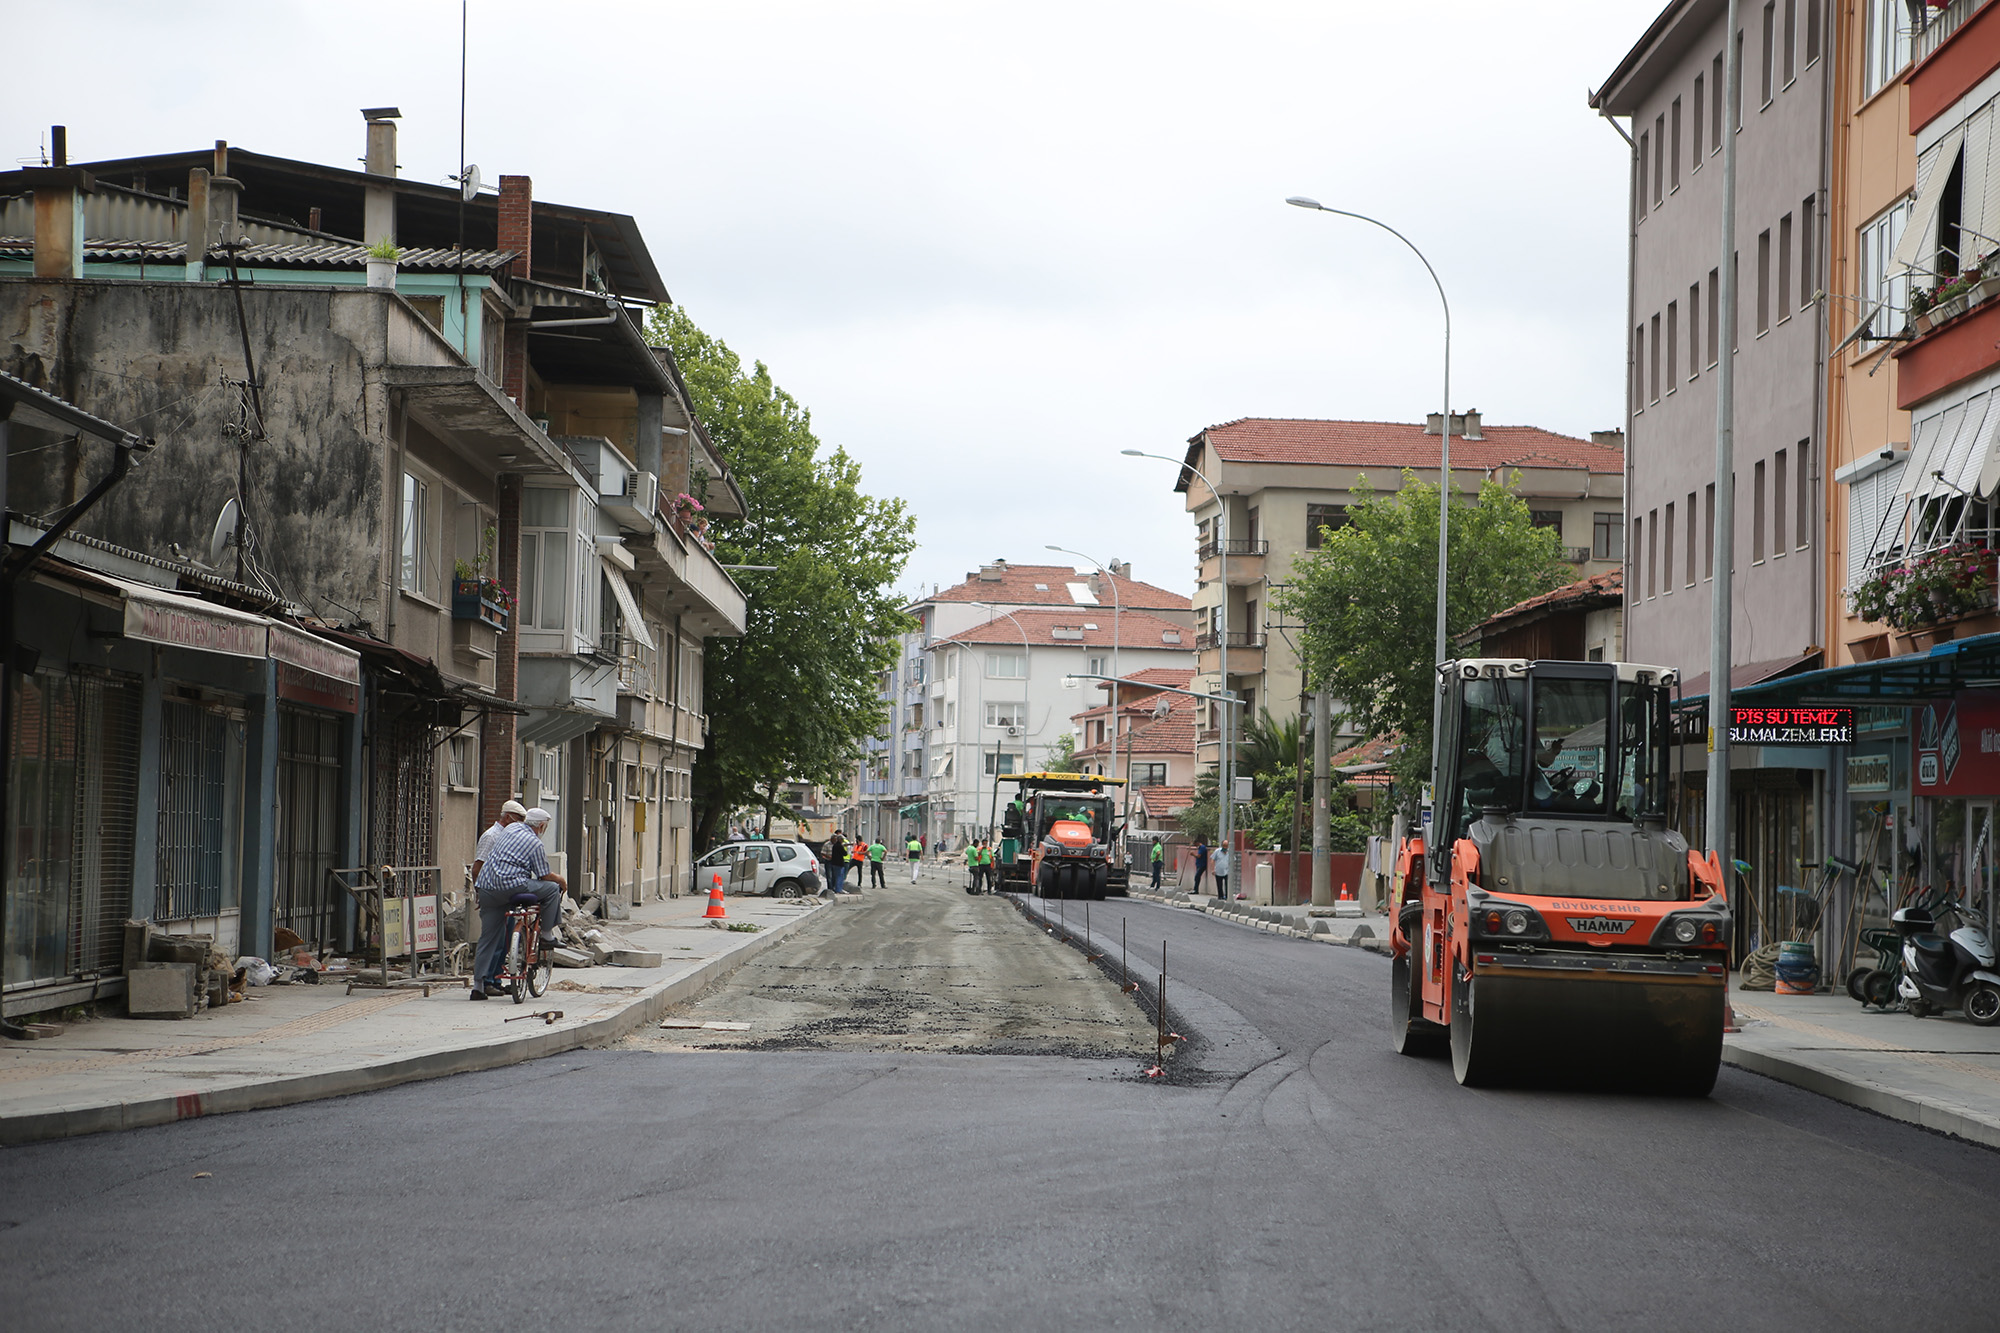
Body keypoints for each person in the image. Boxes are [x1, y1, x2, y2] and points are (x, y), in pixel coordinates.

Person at [471, 807, 567, 1000]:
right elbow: (544, 875)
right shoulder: (535, 844)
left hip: (487, 887)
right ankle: (547, 935)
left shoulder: (509, 829)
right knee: (551, 889)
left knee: (487, 938)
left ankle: (478, 986)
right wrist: (560, 880)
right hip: (513, 886)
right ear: (541, 826)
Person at [471, 799, 528, 887]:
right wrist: (481, 893)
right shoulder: (491, 836)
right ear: (508, 818)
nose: (520, 824)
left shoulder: (509, 835)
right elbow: (477, 869)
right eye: (519, 820)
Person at [823, 831, 849, 895]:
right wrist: (846, 849)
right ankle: (838, 889)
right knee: (839, 877)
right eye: (842, 839)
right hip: (839, 863)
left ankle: (833, 888)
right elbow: (845, 853)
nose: (843, 841)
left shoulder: (834, 846)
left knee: (834, 876)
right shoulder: (839, 846)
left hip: (834, 863)